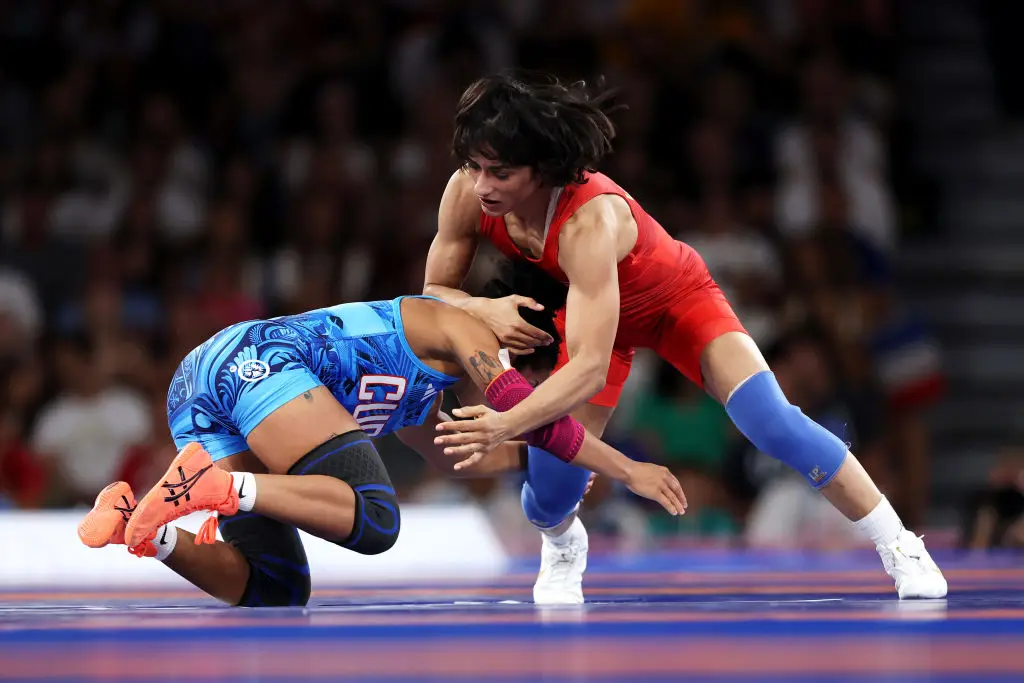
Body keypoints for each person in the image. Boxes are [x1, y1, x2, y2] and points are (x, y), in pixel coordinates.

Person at [423, 71, 947, 603]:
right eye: (476, 166)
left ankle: (900, 543)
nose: (483, 185)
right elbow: (434, 292)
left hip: (676, 303)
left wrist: (505, 423)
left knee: (771, 421)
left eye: (501, 173)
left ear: (542, 169)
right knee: (549, 495)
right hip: (592, 315)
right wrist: (483, 306)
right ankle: (562, 542)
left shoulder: (588, 222)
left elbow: (589, 371)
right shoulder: (466, 192)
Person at [77, 288, 685, 608]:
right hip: (257, 361)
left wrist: (540, 465)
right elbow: (531, 411)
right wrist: (627, 468)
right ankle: (217, 487)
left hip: (203, 384)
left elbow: (463, 457)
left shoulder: (424, 400)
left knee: (277, 588)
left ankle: (144, 528)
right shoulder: (464, 329)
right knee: (375, 518)